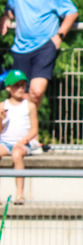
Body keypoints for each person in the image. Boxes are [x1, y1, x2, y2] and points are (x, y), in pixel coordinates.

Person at [1, 0, 78, 108]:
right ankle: (28, 131)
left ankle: (32, 130)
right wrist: (6, 17)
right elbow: (11, 10)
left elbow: (71, 12)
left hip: (44, 46)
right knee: (20, 95)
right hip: (20, 49)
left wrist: (59, 36)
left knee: (36, 92)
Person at [0, 69, 38, 205]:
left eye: (23, 85)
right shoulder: (2, 106)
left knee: (17, 155)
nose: (21, 88)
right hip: (5, 142)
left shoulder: (29, 106)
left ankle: (20, 194)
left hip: (23, 143)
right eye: (17, 85)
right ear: (8, 88)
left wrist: (24, 141)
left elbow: (34, 129)